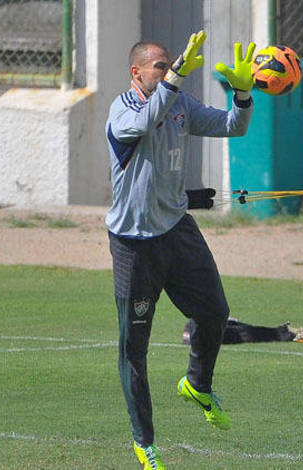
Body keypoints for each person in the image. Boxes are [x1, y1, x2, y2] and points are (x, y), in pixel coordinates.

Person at [105, 30, 256, 470]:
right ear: (137, 73)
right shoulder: (123, 110)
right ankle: (143, 441)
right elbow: (144, 121)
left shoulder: (181, 106)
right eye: (162, 64)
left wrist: (243, 96)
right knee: (135, 348)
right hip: (134, 245)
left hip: (177, 230)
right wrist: (173, 80)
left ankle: (198, 384)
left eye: (174, 63)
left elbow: (234, 127)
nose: (173, 68)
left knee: (213, 313)